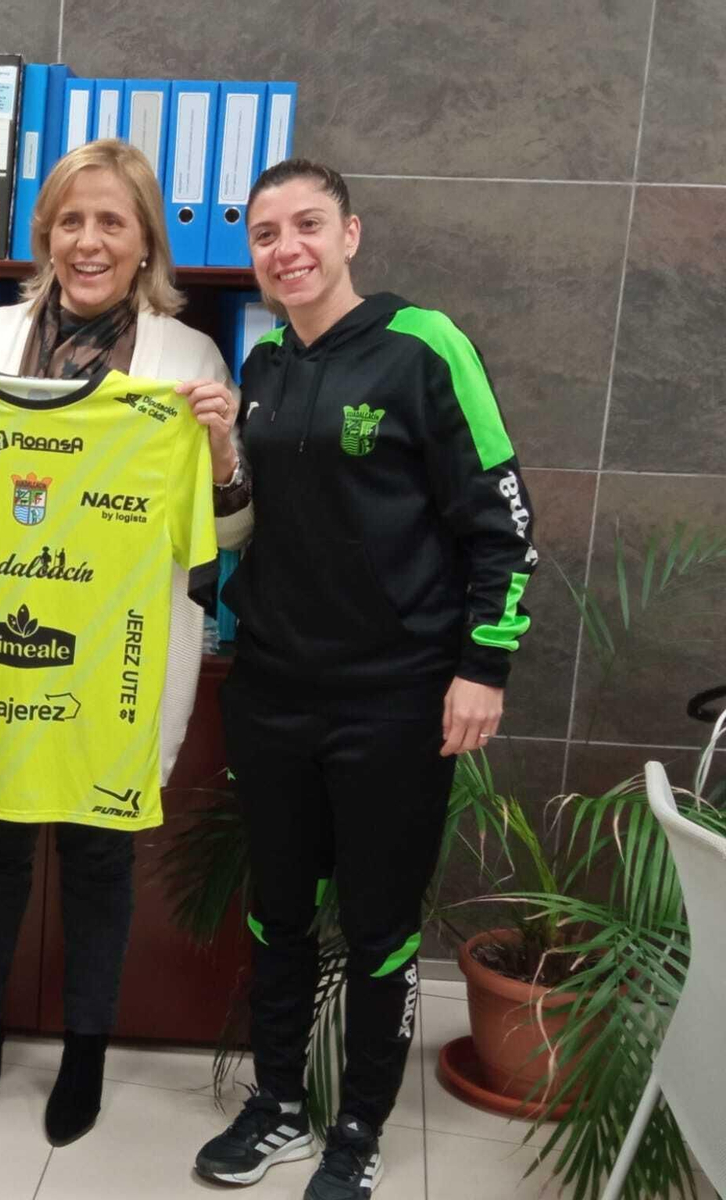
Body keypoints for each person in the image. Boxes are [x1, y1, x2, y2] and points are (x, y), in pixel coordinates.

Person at [0, 138, 248, 1145]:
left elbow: (228, 533)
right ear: (45, 234)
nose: (88, 241)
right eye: (71, 221)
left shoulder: (186, 360)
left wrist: (217, 452)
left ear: (145, 240)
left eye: (112, 221)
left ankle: (85, 1055)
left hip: (115, 661)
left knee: (97, 859)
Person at [191, 158, 536, 1200]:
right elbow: (241, 533)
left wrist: (483, 668)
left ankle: (358, 1130)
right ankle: (278, 1106)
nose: (285, 249)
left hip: (395, 697)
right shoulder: (263, 366)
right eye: (264, 234)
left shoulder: (424, 346)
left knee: (380, 927)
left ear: (350, 234)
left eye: (306, 225)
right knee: (278, 913)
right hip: (274, 689)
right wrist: (221, 455)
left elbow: (503, 520)